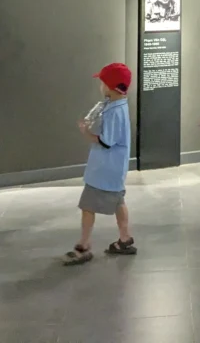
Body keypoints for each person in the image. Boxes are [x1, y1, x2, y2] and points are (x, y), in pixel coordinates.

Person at [63, 62, 136, 266]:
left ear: (111, 86)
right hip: (114, 171)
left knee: (88, 206)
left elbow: (106, 141)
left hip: (104, 170)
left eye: (103, 82)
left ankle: (84, 245)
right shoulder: (115, 106)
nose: (100, 86)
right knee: (118, 201)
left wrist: (86, 133)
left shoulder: (114, 111)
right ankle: (125, 239)